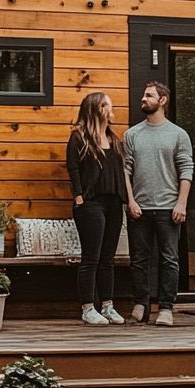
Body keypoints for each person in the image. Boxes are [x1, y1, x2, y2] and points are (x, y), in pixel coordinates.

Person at [124, 81, 193, 327]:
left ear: (162, 100)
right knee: (139, 260)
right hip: (139, 208)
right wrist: (130, 201)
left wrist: (181, 204)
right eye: (144, 95)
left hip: (168, 208)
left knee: (169, 259)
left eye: (149, 95)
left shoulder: (178, 134)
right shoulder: (131, 135)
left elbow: (186, 170)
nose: (143, 99)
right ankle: (141, 304)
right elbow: (126, 171)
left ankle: (165, 308)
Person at [65, 92, 129, 325]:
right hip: (91, 204)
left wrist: (126, 200)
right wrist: (79, 197)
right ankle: (88, 308)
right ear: (95, 109)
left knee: (107, 258)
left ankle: (108, 306)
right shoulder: (79, 138)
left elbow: (122, 172)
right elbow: (73, 169)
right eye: (106, 105)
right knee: (91, 257)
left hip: (114, 203)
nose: (111, 109)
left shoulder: (114, 139)